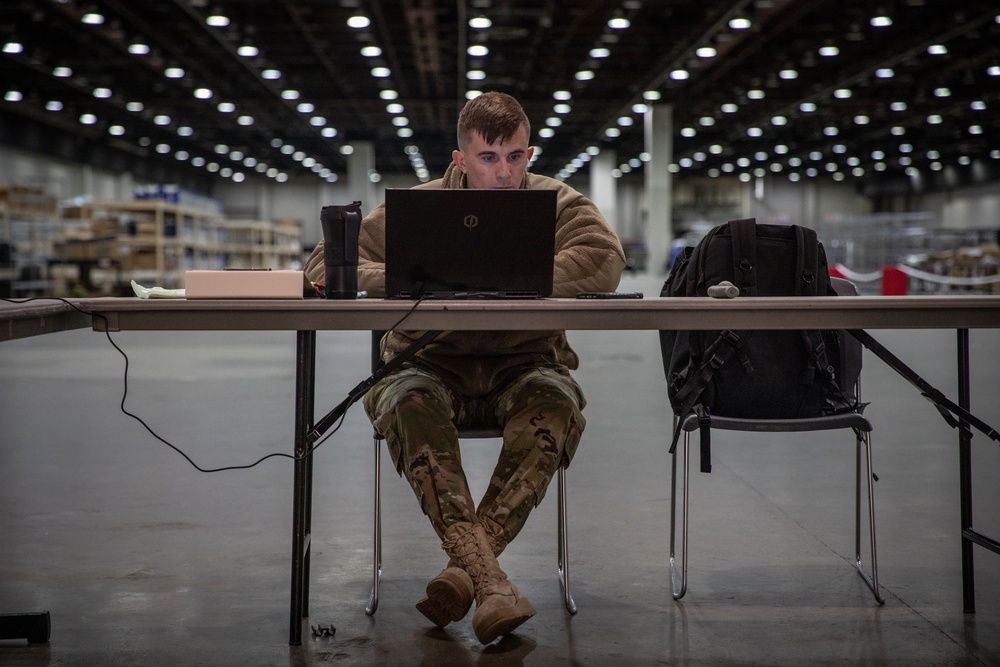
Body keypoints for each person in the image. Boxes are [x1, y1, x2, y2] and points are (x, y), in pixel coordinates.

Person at [304, 91, 625, 644]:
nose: (504, 172)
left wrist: (504, 271)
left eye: (516, 157)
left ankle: (467, 572)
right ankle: (491, 581)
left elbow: (603, 259)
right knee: (405, 403)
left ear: (529, 153)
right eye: (489, 158)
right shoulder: (419, 208)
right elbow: (325, 264)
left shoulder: (557, 202)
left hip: (524, 363)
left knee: (557, 402)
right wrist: (420, 277)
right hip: (428, 363)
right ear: (460, 158)